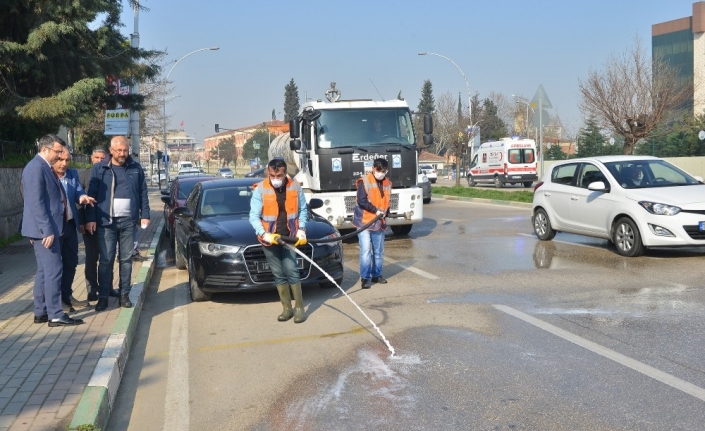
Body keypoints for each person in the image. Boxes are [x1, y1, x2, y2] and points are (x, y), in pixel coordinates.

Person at [21, 134, 89, 327]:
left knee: (44, 271)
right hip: (46, 231)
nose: (59, 155)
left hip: (47, 228)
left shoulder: (44, 167)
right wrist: (46, 230)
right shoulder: (36, 168)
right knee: (53, 270)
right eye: (57, 151)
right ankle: (56, 314)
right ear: (45, 149)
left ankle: (41, 312)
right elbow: (36, 202)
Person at [86, 136, 150, 312]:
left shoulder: (135, 168)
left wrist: (145, 214)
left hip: (128, 222)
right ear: (111, 150)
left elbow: (143, 192)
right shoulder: (100, 169)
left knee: (126, 260)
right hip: (106, 223)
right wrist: (91, 218)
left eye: (125, 150)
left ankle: (124, 295)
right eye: (119, 150)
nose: (122, 154)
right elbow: (92, 195)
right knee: (106, 260)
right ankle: (104, 297)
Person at [249, 158, 309, 323]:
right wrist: (263, 233)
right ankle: (286, 308)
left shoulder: (295, 186)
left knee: (292, 270)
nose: (276, 178)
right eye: (273, 174)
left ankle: (299, 308)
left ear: (285, 173)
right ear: (268, 171)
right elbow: (253, 216)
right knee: (278, 274)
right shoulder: (260, 189)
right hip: (270, 239)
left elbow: (303, 209)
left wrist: (302, 229)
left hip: (290, 236)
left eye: (279, 175)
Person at [52, 151, 94, 312]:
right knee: (54, 266)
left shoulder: (72, 174)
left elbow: (77, 191)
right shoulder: (48, 176)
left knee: (71, 262)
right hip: (53, 227)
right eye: (60, 160)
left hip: (69, 225)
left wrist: (82, 197)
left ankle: (67, 295)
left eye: (67, 160)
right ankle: (56, 301)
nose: (64, 164)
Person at [354, 158, 391, 289]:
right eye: (380, 170)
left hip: (379, 222)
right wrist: (375, 211)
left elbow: (387, 201)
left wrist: (386, 213)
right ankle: (365, 278)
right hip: (364, 222)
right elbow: (361, 201)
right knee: (365, 251)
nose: (382, 173)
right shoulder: (364, 182)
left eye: (384, 171)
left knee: (379, 251)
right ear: (374, 168)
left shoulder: (387, 182)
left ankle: (377, 275)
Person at [78, 147, 107, 301]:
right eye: (97, 158)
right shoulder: (82, 175)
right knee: (91, 258)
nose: (99, 161)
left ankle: (106, 287)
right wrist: (81, 223)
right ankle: (92, 289)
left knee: (107, 258)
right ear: (91, 158)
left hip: (106, 223)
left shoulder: (109, 173)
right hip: (88, 226)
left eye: (103, 158)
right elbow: (78, 201)